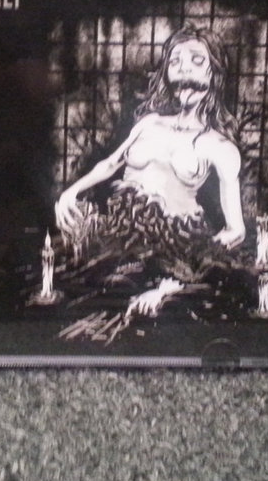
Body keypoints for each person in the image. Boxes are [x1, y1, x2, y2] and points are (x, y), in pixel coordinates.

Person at [53, 25, 247, 325]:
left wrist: (178, 278)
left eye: (196, 60)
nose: (183, 68)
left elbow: (236, 230)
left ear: (214, 73)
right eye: (175, 61)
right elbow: (111, 164)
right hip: (117, 235)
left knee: (125, 304)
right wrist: (70, 193)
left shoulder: (220, 146)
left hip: (172, 250)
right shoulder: (150, 122)